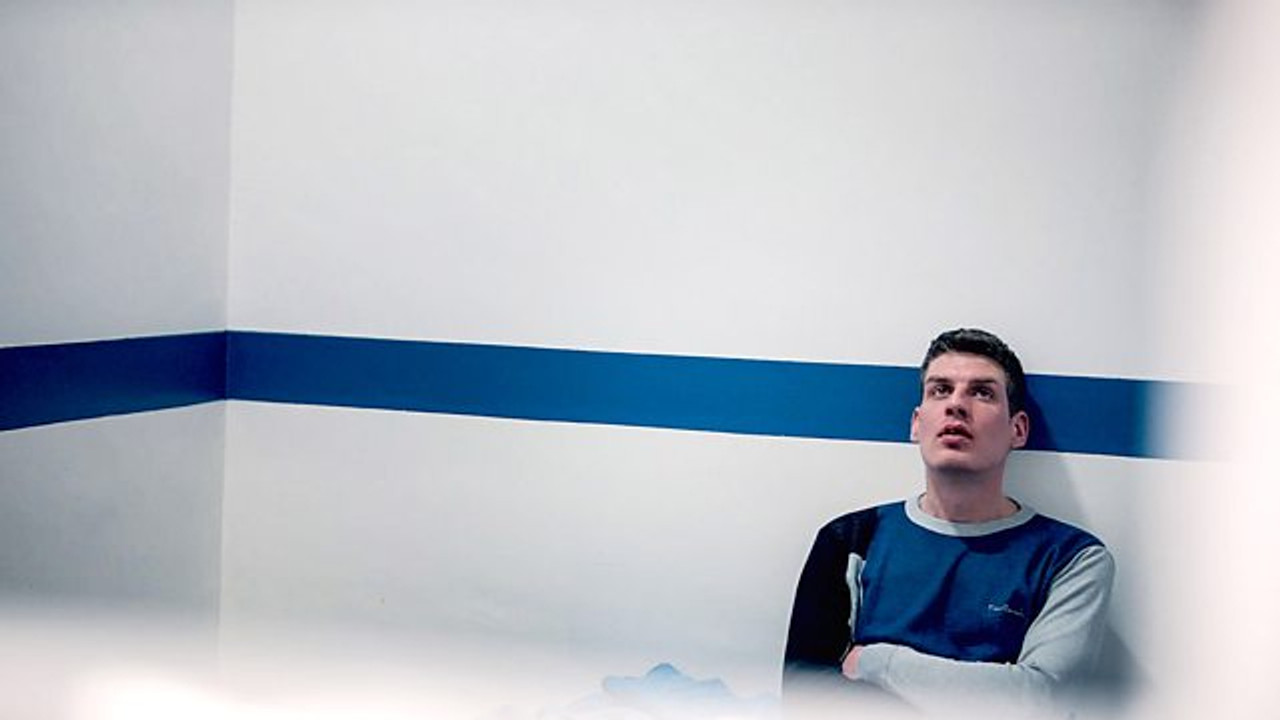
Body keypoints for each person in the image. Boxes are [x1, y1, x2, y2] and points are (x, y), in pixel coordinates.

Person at [783, 328, 1115, 717]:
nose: (956, 405)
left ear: (1018, 429)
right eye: (940, 390)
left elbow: (1041, 701)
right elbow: (807, 700)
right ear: (916, 424)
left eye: (982, 393)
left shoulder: (1072, 558)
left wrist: (879, 663)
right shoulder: (850, 539)